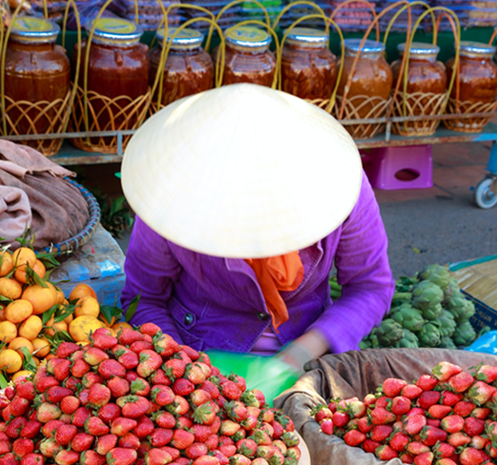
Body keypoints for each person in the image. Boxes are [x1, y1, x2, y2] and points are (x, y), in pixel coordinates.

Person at [118, 84, 394, 376]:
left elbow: (370, 287)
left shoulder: (343, 185)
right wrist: (183, 367)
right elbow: (143, 299)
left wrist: (302, 352)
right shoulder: (171, 195)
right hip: (199, 352)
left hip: (312, 358)